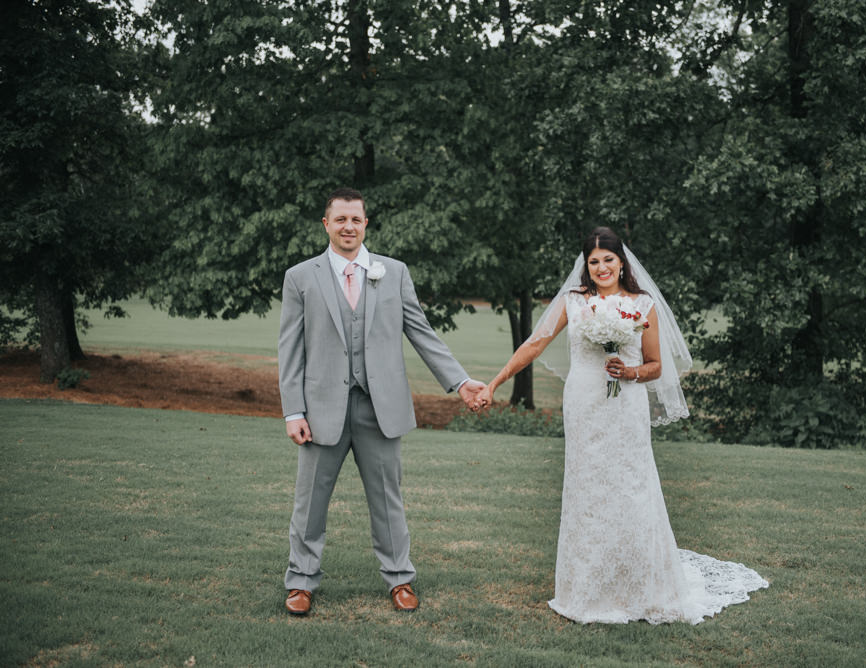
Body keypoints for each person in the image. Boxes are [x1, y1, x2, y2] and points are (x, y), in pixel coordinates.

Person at [475, 227, 768, 624]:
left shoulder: (642, 304)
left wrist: (629, 371)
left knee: (631, 487)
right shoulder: (573, 302)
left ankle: (639, 587)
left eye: (607, 260)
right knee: (587, 489)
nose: (601, 268)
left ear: (621, 262)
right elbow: (534, 343)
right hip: (583, 403)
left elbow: (655, 367)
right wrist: (495, 382)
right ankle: (587, 590)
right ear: (586, 266)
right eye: (593, 261)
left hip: (625, 405)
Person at [277, 187, 486, 615]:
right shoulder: (300, 276)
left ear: (366, 223)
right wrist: (293, 410)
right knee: (309, 501)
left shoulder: (393, 272)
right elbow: (290, 349)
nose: (349, 227)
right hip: (321, 410)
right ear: (326, 224)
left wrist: (460, 381)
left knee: (388, 500)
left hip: (381, 407)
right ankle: (301, 582)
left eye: (356, 219)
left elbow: (421, 331)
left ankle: (400, 579)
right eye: (340, 220)